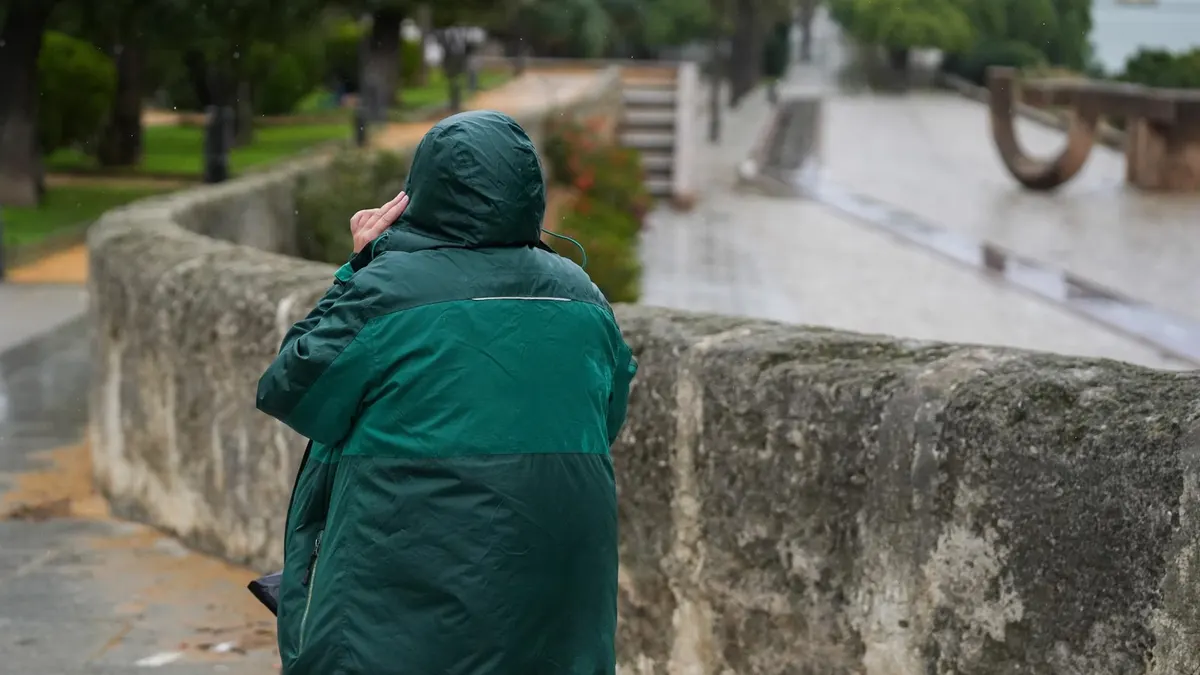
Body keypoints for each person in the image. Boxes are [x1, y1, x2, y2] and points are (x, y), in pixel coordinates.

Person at [255, 109, 637, 675]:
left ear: (420, 193)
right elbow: (606, 417)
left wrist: (359, 266)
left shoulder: (388, 288)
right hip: (555, 602)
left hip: (405, 597)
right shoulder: (583, 295)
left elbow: (292, 387)